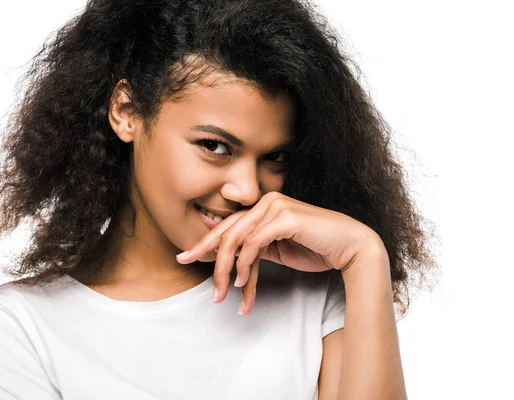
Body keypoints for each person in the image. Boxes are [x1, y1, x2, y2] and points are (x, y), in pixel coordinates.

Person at [0, 0, 438, 399]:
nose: (247, 190)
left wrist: (365, 258)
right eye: (214, 146)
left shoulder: (314, 294)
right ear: (127, 112)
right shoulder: (24, 329)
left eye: (275, 156)